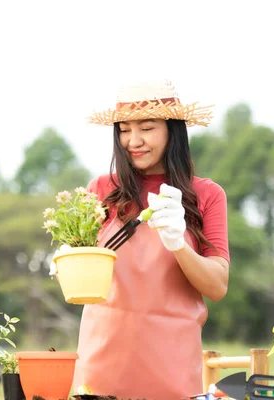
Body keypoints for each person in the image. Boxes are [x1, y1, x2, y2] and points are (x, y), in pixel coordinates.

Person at [64, 79, 230, 399]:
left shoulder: (206, 195)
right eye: (124, 129)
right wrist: (68, 260)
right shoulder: (101, 190)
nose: (133, 141)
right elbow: (84, 285)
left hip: (173, 368)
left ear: (173, 129)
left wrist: (178, 243)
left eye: (147, 127)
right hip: (101, 365)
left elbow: (217, 286)